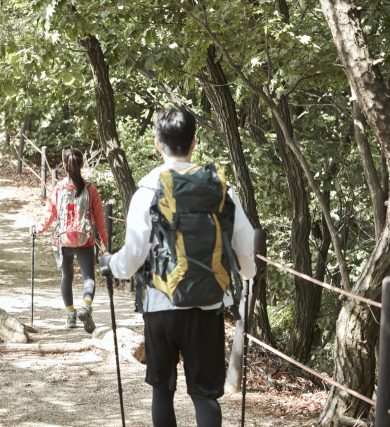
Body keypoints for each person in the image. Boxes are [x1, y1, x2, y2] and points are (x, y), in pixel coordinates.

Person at [99, 109, 256, 427]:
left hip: (160, 304)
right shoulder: (221, 190)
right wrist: (248, 276)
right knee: (205, 395)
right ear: (194, 142)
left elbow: (131, 259)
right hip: (208, 305)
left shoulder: (146, 193)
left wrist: (109, 264)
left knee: (162, 391)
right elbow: (246, 252)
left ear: (158, 144)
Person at [30, 148, 108, 332]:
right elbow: (100, 221)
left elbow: (49, 216)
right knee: (88, 278)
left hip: (63, 242)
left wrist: (37, 229)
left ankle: (71, 316)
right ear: (82, 165)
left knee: (67, 278)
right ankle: (86, 308)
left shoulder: (58, 189)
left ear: (64, 166)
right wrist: (104, 243)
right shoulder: (91, 190)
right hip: (85, 241)